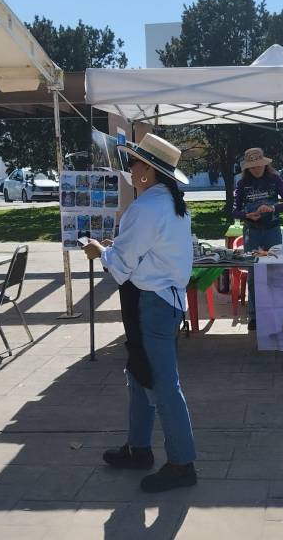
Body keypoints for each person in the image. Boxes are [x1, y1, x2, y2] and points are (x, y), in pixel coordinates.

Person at [82, 133, 197, 493]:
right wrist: (114, 251)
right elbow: (145, 252)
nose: (129, 169)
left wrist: (99, 251)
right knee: (140, 374)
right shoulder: (170, 204)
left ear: (148, 170)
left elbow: (122, 264)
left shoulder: (146, 207)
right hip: (164, 299)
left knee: (163, 383)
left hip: (153, 302)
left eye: (133, 163)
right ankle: (139, 447)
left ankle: (182, 463)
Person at [233, 147, 283, 330]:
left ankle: (279, 311)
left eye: (259, 165)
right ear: (247, 168)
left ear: (265, 164)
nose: (256, 169)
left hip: (272, 230)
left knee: (276, 271)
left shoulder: (274, 179)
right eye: (252, 167)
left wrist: (274, 208)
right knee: (253, 274)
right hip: (252, 232)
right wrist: (246, 215)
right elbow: (234, 211)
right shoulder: (242, 183)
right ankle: (254, 315)